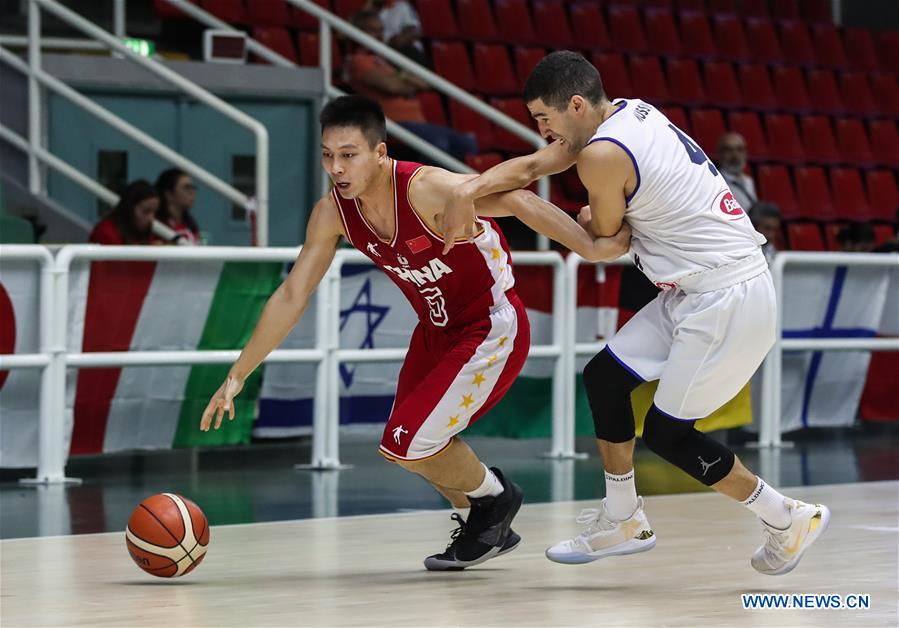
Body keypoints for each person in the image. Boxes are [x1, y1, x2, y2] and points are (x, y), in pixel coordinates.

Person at [199, 95, 630, 571]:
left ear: (380, 153)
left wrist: (589, 247)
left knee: (409, 444)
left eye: (348, 154)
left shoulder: (425, 188)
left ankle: (495, 500)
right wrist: (240, 372)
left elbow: (520, 200)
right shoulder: (333, 213)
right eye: (327, 155)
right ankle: (487, 525)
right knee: (404, 449)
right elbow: (292, 294)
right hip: (436, 332)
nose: (336, 168)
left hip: (490, 324)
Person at [442, 51, 829, 575]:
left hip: (726, 297)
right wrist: (469, 189)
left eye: (544, 118)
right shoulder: (631, 110)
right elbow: (536, 166)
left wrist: (578, 214)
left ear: (575, 105)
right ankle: (624, 518)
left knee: (668, 434)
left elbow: (604, 240)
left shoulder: (601, 156)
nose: (542, 129)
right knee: (604, 377)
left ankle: (786, 516)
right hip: (694, 290)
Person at [346, 11, 477, 161]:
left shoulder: (385, 59)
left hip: (417, 123)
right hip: (394, 123)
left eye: (381, 30)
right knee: (440, 143)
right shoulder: (358, 61)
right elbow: (393, 87)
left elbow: (425, 83)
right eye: (372, 30)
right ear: (358, 31)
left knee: (467, 142)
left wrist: (400, 80)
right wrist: (404, 79)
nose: (379, 34)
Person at [88, 179, 161, 245]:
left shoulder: (147, 235)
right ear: (129, 208)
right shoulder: (105, 231)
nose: (151, 218)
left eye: (154, 212)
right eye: (145, 211)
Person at [365, 0, 429, 68]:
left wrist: (395, 41)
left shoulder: (402, 6)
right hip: (382, 55)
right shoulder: (369, 11)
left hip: (407, 53)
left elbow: (415, 31)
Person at [155, 168, 202, 244]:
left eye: (193, 187)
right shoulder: (157, 225)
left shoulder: (190, 224)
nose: (192, 192)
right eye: (186, 188)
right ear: (168, 194)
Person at [716, 132, 757, 213]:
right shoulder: (716, 181)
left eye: (739, 149)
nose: (735, 155)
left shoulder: (749, 181)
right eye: (729, 150)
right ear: (720, 154)